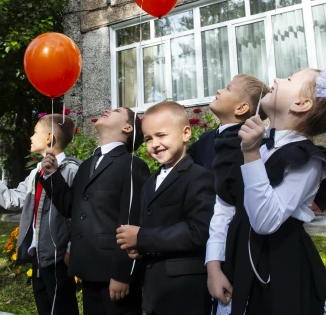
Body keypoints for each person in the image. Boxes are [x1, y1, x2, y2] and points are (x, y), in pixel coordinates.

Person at [228, 68, 326, 314]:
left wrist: (251, 153)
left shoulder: (308, 159)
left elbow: (265, 221)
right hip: (243, 259)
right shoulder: (261, 144)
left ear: (301, 103)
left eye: (288, 79)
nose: (275, 80)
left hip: (278, 267)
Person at [39, 107, 150, 315]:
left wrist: (123, 274)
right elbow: (72, 209)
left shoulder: (133, 165)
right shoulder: (87, 165)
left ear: (127, 128)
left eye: (116, 111)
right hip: (88, 269)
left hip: (114, 273)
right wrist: (52, 175)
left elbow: (132, 221)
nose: (108, 110)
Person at [0, 114, 80, 315]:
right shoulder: (36, 173)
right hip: (38, 254)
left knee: (63, 307)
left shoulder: (72, 170)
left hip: (58, 256)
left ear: (49, 138)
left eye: (34, 132)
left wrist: (71, 249)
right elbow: (14, 199)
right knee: (44, 306)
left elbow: (77, 215)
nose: (30, 137)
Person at [116, 101, 216, 315]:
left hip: (186, 293)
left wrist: (142, 238)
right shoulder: (150, 183)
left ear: (186, 133)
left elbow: (198, 231)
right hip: (155, 291)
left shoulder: (199, 177)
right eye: (149, 139)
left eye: (161, 135)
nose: (155, 144)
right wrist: (140, 249)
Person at [203, 75, 270, 310]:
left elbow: (229, 204)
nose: (220, 90)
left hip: (240, 248)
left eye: (228, 88)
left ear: (242, 108)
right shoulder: (209, 139)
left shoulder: (243, 144)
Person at [188, 75, 269, 171]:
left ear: (241, 108)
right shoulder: (206, 137)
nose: (218, 90)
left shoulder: (246, 144)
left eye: (228, 89)